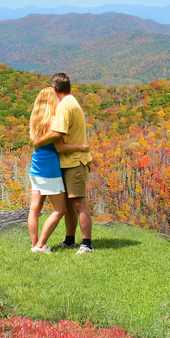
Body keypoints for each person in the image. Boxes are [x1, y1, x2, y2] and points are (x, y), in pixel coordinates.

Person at [27, 86, 89, 253]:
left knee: (35, 208)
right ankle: (41, 245)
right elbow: (60, 147)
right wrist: (81, 148)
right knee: (60, 209)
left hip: (35, 167)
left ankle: (34, 245)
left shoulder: (35, 118)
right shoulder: (53, 121)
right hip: (49, 169)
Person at [47, 72, 95, 254]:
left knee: (78, 203)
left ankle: (87, 244)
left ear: (54, 89)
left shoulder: (64, 107)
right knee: (70, 203)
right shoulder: (72, 102)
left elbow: (58, 143)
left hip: (74, 161)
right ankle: (69, 240)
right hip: (72, 161)